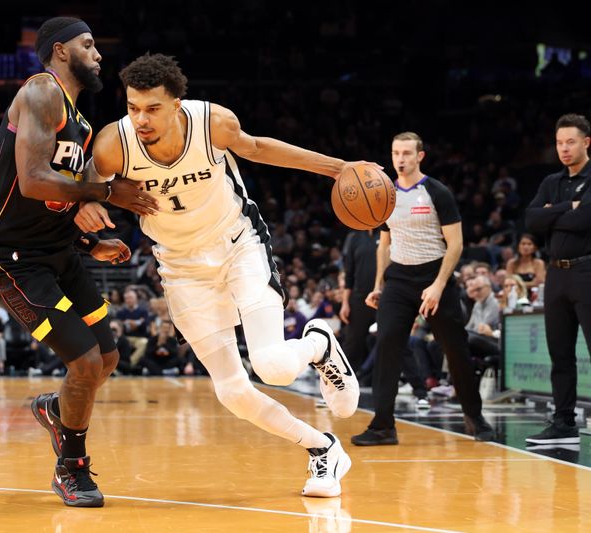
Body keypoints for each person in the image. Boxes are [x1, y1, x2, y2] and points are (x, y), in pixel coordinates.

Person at [75, 53, 368, 498]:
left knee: (272, 366)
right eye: (133, 107)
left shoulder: (213, 122)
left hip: (237, 245)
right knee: (232, 392)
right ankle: (322, 448)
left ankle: (318, 344)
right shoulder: (115, 143)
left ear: (177, 104)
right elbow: (88, 185)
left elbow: (259, 147)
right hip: (180, 266)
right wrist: (94, 199)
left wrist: (337, 167)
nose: (141, 119)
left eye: (152, 108)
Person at [0, 16, 158, 508]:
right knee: (86, 361)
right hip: (12, 257)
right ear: (58, 51)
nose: (98, 54)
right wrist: (106, 190)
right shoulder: (39, 92)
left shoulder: (83, 123)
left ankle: (57, 411)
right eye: (88, 45)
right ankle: (71, 469)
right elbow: (32, 181)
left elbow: (58, 202)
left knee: (108, 359)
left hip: (56, 251)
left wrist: (88, 242)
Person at [352, 132, 495, 446]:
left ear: (420, 157)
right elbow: (384, 244)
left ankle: (475, 416)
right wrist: (378, 284)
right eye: (395, 153)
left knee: (456, 351)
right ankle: (383, 426)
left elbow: (456, 244)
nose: (400, 159)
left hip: (436, 276)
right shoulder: (384, 194)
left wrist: (438, 285)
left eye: (406, 153)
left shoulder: (436, 192)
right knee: (387, 342)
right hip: (399, 280)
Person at [525, 113, 591, 445]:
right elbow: (531, 220)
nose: (564, 149)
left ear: (586, 143)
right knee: (560, 353)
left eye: (571, 142)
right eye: (559, 143)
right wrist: (567, 206)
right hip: (556, 274)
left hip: (586, 271)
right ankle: (564, 423)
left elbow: (584, 221)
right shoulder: (551, 181)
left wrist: (553, 214)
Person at [339, 229, 378, 376]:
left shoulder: (387, 232)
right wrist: (345, 303)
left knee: (386, 339)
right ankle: (342, 380)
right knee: (352, 342)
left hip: (383, 297)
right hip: (358, 297)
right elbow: (349, 273)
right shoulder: (355, 237)